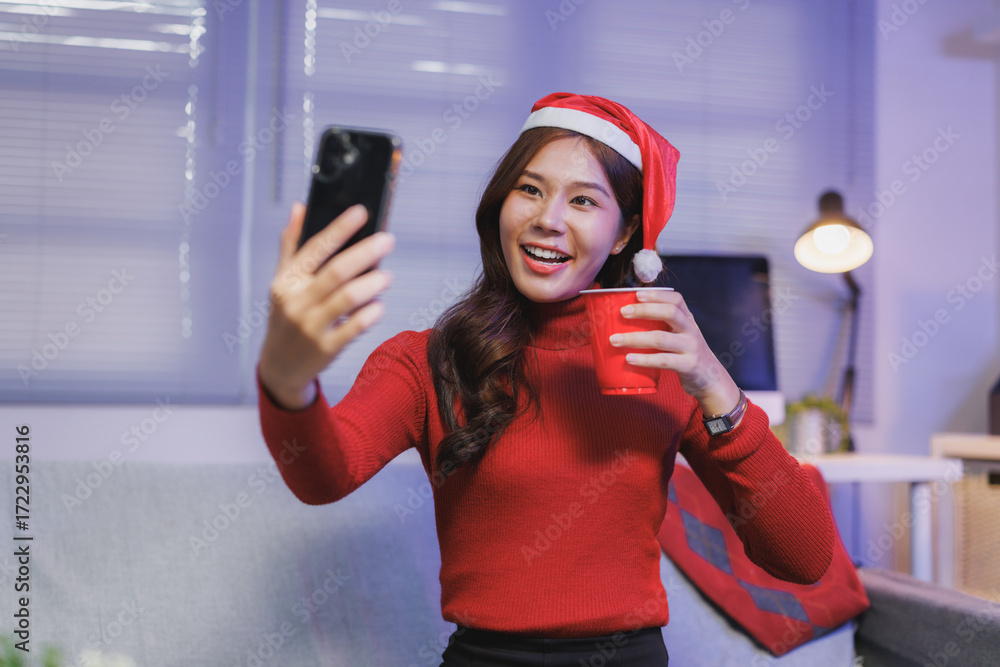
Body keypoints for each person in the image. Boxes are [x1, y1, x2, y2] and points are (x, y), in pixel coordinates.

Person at [255, 92, 835, 666]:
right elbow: (323, 476)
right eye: (529, 189)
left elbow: (804, 558)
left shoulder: (662, 365)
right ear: (500, 204)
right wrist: (287, 378)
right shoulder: (426, 361)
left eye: (583, 200)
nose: (548, 220)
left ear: (625, 233)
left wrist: (716, 386)